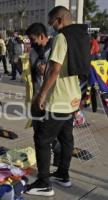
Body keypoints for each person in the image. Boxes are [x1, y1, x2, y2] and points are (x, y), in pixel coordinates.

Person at [25, 6, 90, 197]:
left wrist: (42, 95)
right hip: (72, 97)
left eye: (52, 22)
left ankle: (44, 183)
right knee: (65, 137)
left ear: (59, 20)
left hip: (58, 99)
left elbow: (54, 69)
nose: (51, 26)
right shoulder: (81, 36)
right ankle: (63, 174)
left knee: (42, 140)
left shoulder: (62, 37)